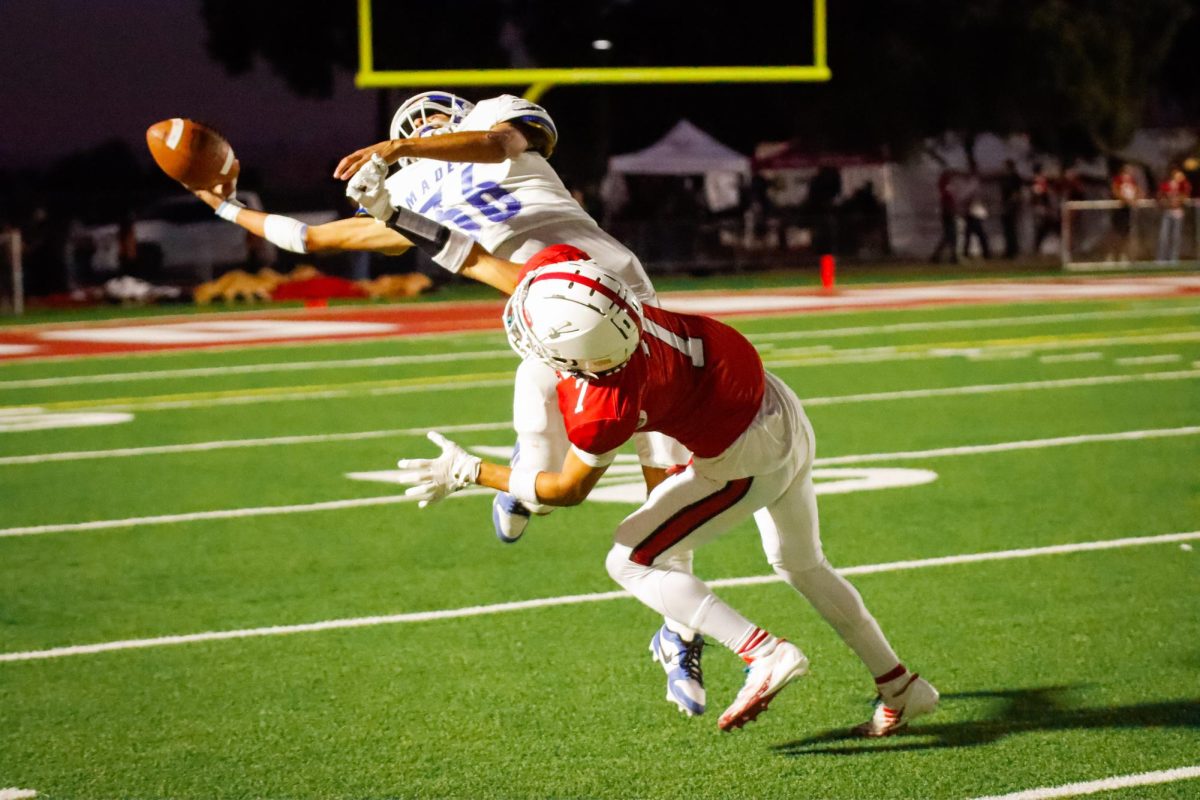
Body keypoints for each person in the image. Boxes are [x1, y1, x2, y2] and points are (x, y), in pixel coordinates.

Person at [192, 90, 698, 713]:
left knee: (668, 483)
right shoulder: (400, 196)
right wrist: (225, 208)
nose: (428, 123)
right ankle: (521, 482)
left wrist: (398, 145)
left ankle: (679, 630)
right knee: (562, 465)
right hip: (553, 312)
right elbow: (311, 239)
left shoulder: (490, 119)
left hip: (623, 288)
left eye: (434, 119)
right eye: (415, 121)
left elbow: (496, 145)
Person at [357, 195, 939, 735]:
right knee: (801, 563)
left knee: (630, 561)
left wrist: (470, 471)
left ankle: (763, 651)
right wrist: (396, 213)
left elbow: (565, 489)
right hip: (777, 404)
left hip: (743, 456)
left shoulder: (603, 403)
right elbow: (480, 260)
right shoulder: (593, 291)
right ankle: (901, 685)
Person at [1155, 166, 1192, 264]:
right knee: (1164, 236)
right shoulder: (1166, 184)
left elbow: (1186, 194)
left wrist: (1179, 200)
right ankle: (1161, 259)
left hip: (1178, 213)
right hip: (1167, 212)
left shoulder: (1183, 184)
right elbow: (1160, 196)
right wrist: (1166, 202)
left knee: (1176, 237)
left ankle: (1173, 259)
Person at [1109, 162, 1142, 262]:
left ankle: (1125, 255)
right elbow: (1115, 190)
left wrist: (1135, 199)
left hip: (1129, 209)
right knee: (1118, 232)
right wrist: (1125, 199)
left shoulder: (1132, 181)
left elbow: (1138, 191)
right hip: (1120, 209)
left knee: (1128, 233)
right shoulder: (1118, 179)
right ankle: (1114, 255)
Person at [929, 170, 959, 264]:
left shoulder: (946, 186)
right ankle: (951, 256)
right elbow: (947, 198)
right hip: (947, 212)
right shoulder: (945, 186)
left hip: (948, 211)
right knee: (951, 235)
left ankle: (940, 255)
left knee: (949, 235)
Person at [1029, 163, 1058, 255]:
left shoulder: (1039, 181)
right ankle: (1036, 248)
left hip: (1043, 209)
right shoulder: (1039, 181)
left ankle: (1036, 248)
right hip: (1042, 209)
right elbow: (1040, 195)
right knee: (1044, 227)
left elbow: (1042, 195)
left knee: (1046, 227)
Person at [999, 159, 1024, 259]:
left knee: (1011, 229)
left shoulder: (1014, 177)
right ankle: (1009, 250)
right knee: (1007, 229)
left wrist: (1011, 204)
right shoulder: (1005, 178)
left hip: (1011, 205)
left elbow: (1016, 193)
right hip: (1006, 205)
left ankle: (1013, 251)